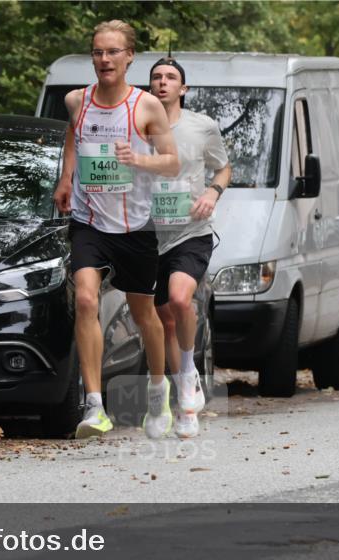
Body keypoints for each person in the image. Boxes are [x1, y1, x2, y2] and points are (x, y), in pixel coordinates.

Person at [52, 20, 180, 439]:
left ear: (129, 58)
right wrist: (67, 178)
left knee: (145, 315)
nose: (103, 60)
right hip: (89, 222)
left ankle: (159, 393)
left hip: (134, 226)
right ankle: (94, 407)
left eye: (112, 52)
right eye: (97, 52)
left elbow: (172, 161)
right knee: (86, 299)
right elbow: (74, 136)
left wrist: (138, 160)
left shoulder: (146, 107)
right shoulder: (77, 100)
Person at [148, 57, 231, 439]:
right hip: (148, 234)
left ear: (183, 89)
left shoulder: (202, 126)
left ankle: (186, 374)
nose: (163, 82)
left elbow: (224, 168)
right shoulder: (137, 124)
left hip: (191, 232)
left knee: (180, 301)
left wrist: (213, 193)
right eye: (156, 77)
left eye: (171, 78)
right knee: (164, 318)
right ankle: (183, 403)